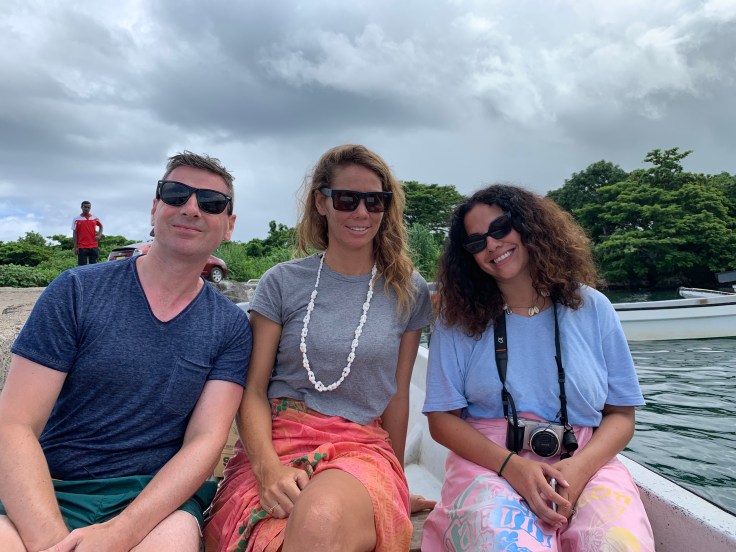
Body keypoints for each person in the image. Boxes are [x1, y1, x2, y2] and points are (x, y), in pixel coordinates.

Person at [0, 152, 253, 552]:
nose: (191, 208)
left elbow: (205, 441)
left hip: (152, 500)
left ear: (229, 225)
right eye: (176, 194)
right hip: (52, 484)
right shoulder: (76, 291)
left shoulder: (230, 326)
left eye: (211, 202)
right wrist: (52, 540)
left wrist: (121, 532)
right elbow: (14, 424)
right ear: (155, 207)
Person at [204, 144, 433, 552]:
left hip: (360, 448)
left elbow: (398, 396)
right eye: (346, 199)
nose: (361, 212)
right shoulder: (282, 283)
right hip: (277, 445)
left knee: (319, 519)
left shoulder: (406, 289)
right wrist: (268, 471)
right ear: (321, 203)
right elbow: (253, 389)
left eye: (374, 201)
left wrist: (394, 484)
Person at [421, 185, 655, 551]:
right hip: (490, 464)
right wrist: (512, 467)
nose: (492, 245)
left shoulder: (593, 307)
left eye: (501, 228)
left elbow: (622, 415)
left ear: (529, 225)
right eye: (477, 242)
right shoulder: (456, 320)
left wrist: (579, 469)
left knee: (618, 544)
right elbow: (441, 420)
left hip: (585, 461)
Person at [72, 200, 104, 265]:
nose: (87, 209)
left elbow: (101, 226)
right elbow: (75, 233)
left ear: (90, 208)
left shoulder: (94, 217)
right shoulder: (76, 219)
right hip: (82, 247)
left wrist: (99, 235)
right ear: (81, 207)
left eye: (88, 207)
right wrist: (76, 247)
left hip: (94, 246)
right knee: (82, 267)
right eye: (85, 207)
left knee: (94, 266)